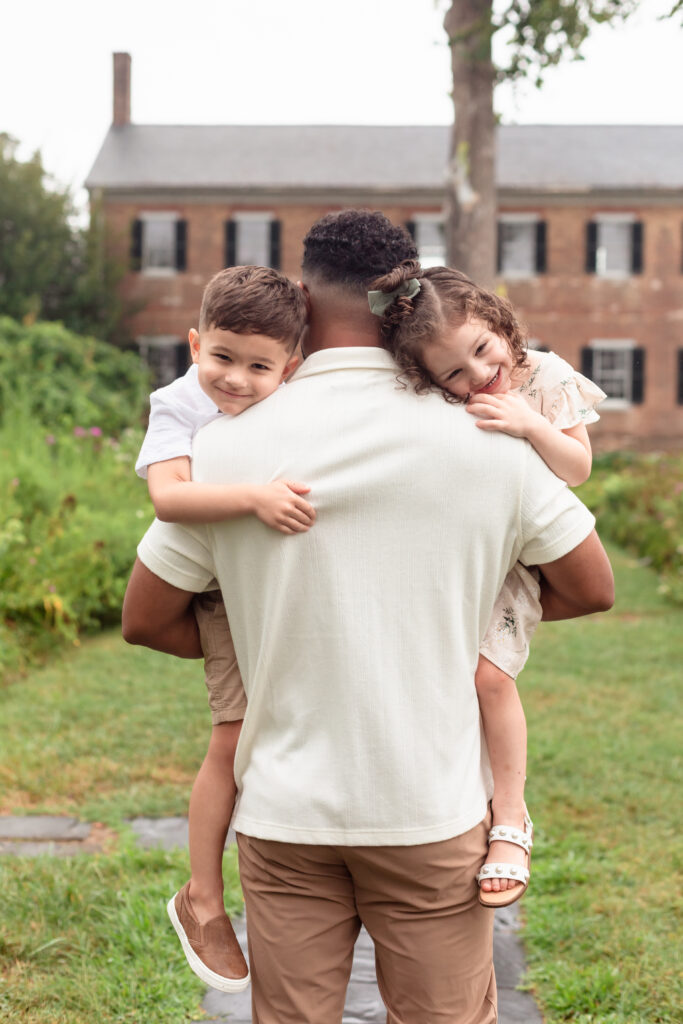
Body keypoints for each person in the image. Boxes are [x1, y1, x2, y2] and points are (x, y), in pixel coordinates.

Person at [122, 209, 614, 1024]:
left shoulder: (226, 446)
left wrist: (265, 630)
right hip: (431, 807)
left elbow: (146, 617)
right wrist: (448, 626)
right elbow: (589, 587)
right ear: (405, 299)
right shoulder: (487, 432)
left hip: (283, 808)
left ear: (302, 298)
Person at [373, 262, 607, 909]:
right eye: (454, 372)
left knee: (488, 679)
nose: (477, 375)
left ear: (497, 320)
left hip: (518, 565)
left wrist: (529, 424)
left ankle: (511, 817)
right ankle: (451, 793)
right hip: (455, 554)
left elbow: (577, 467)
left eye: (481, 350)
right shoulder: (446, 400)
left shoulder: (545, 377)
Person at [134, 265, 313, 992]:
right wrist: (254, 499)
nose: (235, 380)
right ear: (194, 342)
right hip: (215, 588)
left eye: (259, 366)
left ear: (290, 369)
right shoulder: (176, 403)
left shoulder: (294, 401)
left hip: (276, 582)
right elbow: (169, 498)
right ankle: (202, 897)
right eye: (222, 358)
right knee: (233, 736)